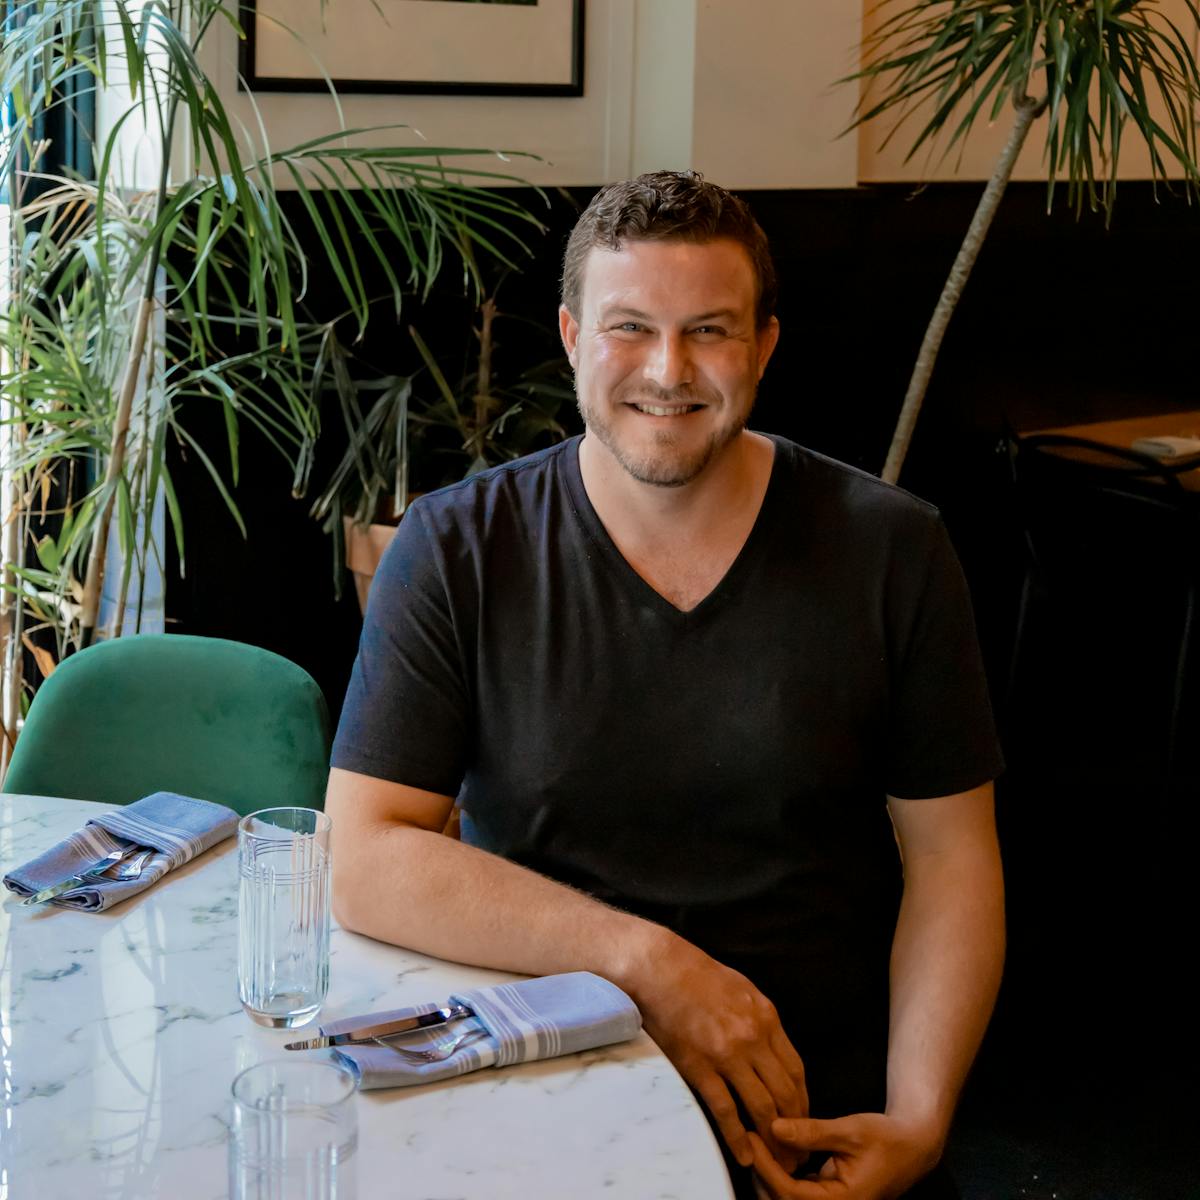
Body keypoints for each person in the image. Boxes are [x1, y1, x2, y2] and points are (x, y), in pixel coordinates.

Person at [326, 171, 1006, 1200]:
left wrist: (918, 1119)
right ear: (571, 336)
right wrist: (647, 963)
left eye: (711, 332)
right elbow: (365, 857)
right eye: (630, 327)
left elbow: (951, 858)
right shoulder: (456, 548)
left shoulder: (892, 549)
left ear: (765, 346)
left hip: (808, 1122)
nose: (667, 369)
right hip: (534, 1096)